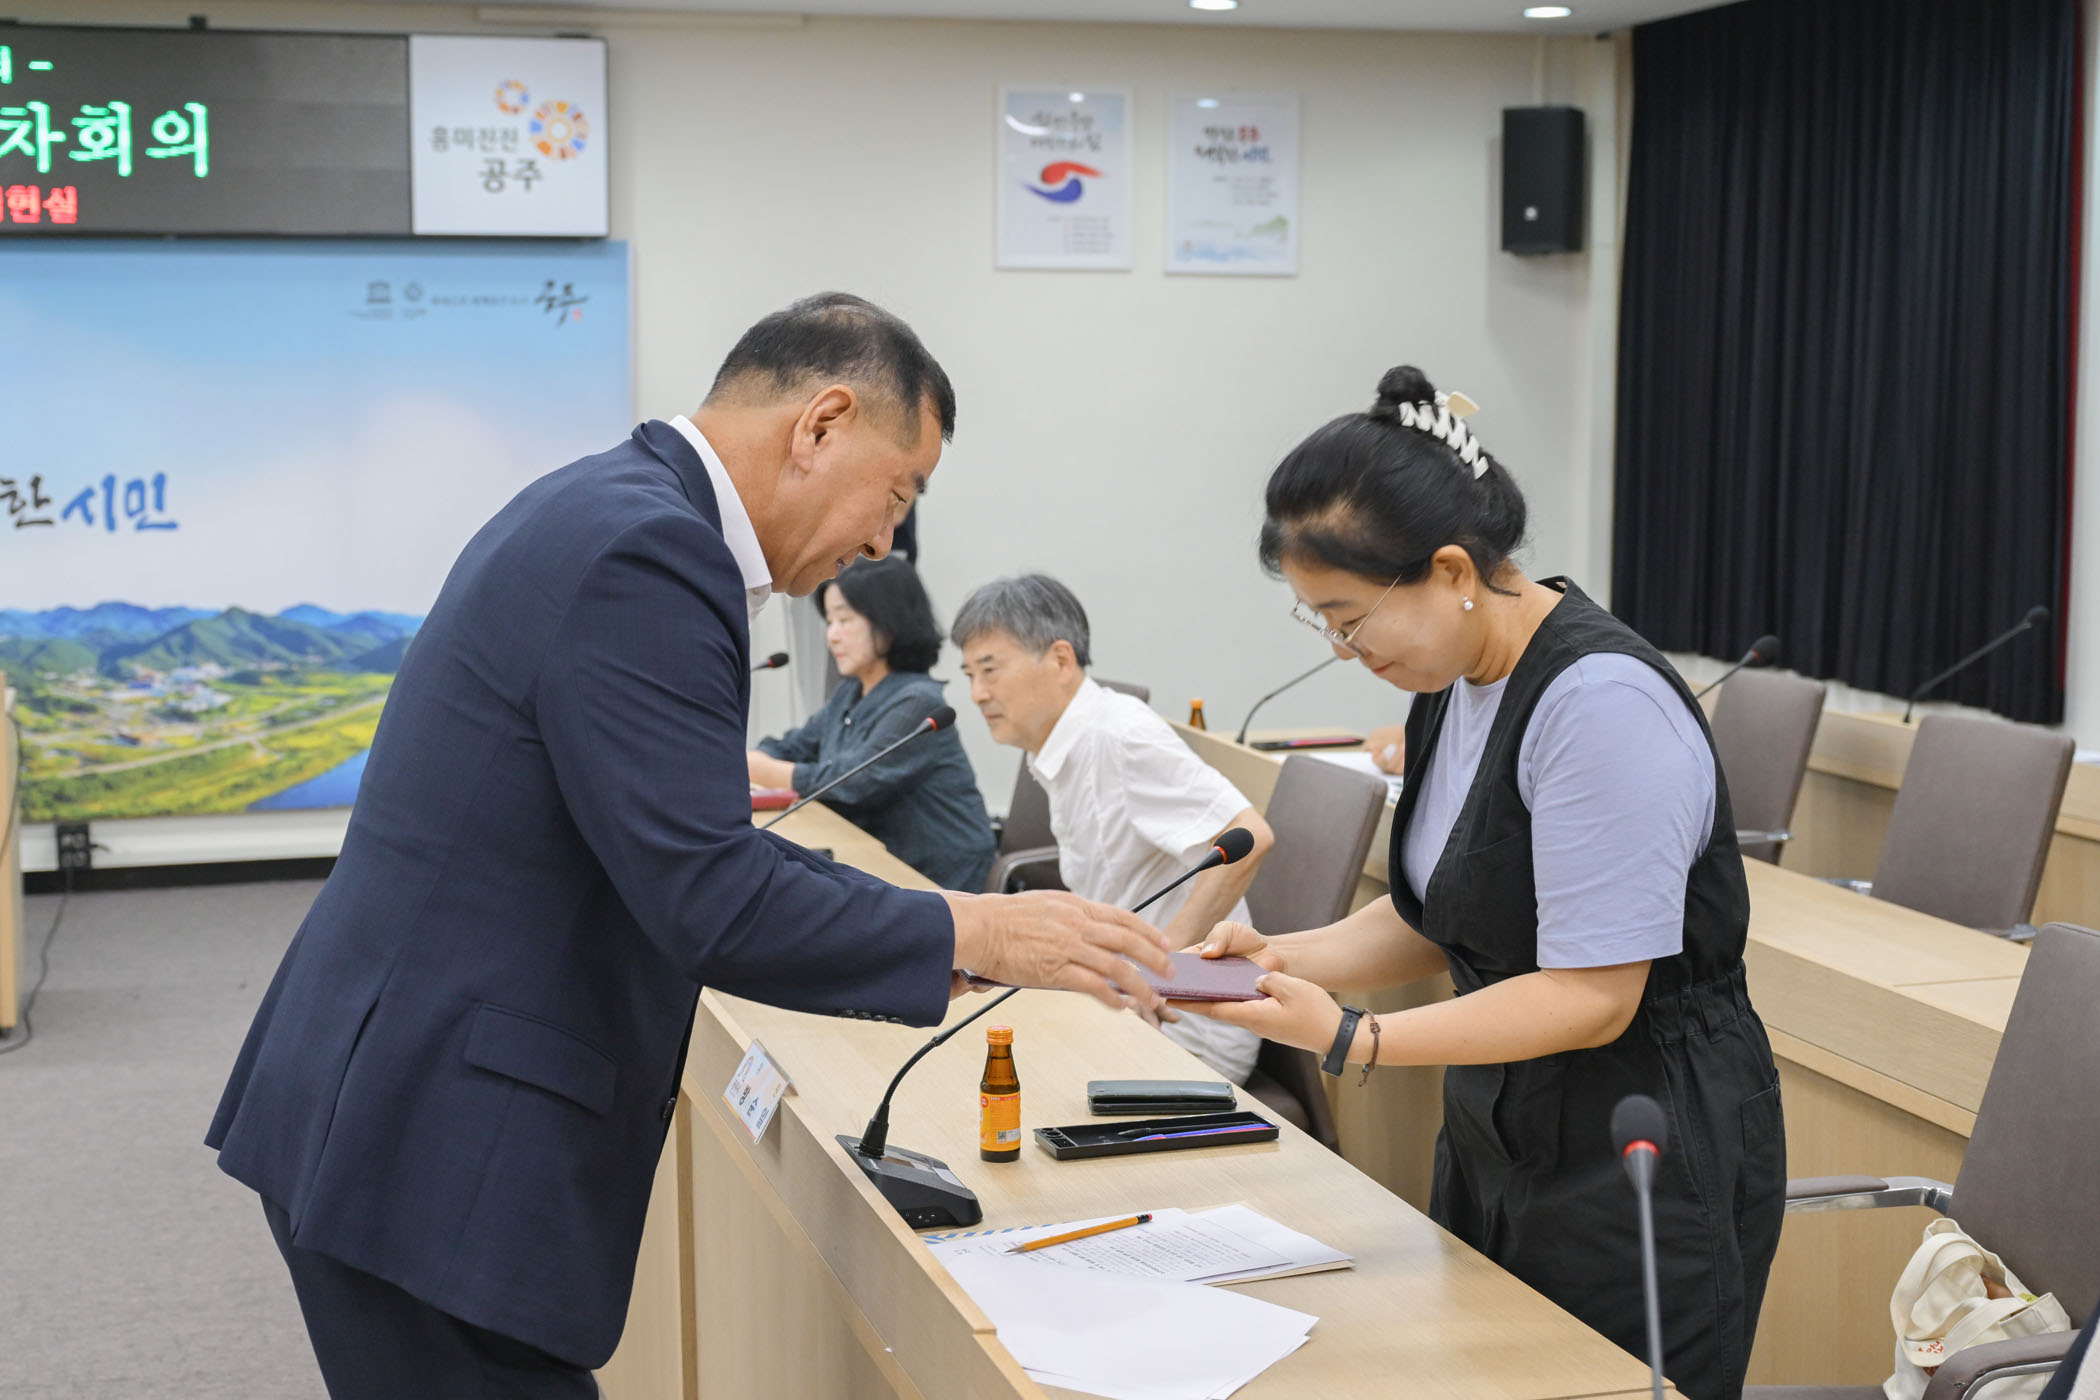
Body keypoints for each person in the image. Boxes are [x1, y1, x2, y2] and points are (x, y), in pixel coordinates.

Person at [205, 294, 1174, 1399]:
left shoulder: (607, 504)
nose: (884, 542)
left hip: (393, 1099)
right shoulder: (653, 552)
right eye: (898, 492)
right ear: (821, 424)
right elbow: (711, 895)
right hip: (433, 1138)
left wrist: (950, 932)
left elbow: (692, 843)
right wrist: (975, 930)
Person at [1175, 366, 1785, 1400]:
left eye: (1349, 617)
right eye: (1321, 622)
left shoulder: (1599, 702)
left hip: (1640, 1144)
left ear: (1453, 569)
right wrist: (1280, 958)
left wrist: (1354, 1036)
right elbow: (1445, 911)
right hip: (1500, 1126)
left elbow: (1594, 993)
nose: (1343, 650)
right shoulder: (1454, 678)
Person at [952, 574, 1275, 1084]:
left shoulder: (1121, 737)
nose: (977, 693)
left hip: (1184, 1026)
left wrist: (1160, 971)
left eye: (990, 670)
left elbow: (1250, 835)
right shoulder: (1064, 745)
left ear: (1061, 660)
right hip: (1119, 996)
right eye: (970, 674)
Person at [749, 555, 996, 891]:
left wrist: (760, 767)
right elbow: (792, 745)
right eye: (829, 622)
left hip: (938, 876)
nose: (832, 636)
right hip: (880, 863)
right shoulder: (850, 691)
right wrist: (761, 758)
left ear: (888, 622)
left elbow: (850, 784)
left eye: (844, 620)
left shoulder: (918, 702)